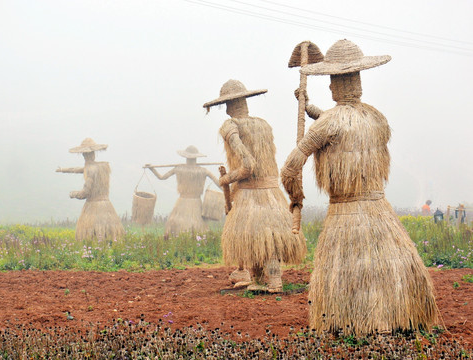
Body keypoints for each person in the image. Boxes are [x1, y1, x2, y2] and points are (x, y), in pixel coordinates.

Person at [281, 40, 437, 335]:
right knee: (386, 265)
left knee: (349, 271)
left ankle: (358, 324)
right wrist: (307, 105)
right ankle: (395, 318)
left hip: (344, 215)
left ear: (332, 85)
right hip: (380, 212)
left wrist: (296, 197)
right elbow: (340, 123)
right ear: (359, 80)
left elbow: (291, 167)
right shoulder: (376, 119)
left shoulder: (329, 124)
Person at [203, 79, 306, 292]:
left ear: (229, 105)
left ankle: (272, 282)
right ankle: (261, 281)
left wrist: (226, 179)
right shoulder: (263, 124)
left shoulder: (230, 126)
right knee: (264, 237)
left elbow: (248, 165)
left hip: (250, 193)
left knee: (257, 234)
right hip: (271, 193)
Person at [57, 138, 125, 241]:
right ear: (93, 154)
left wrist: (74, 194)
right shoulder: (103, 167)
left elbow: (85, 192)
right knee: (111, 237)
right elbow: (78, 169)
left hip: (93, 208)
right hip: (107, 207)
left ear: (84, 155)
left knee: (91, 237)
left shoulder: (90, 170)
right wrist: (63, 170)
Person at [146, 146, 221, 237]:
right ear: (196, 157)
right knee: (198, 227)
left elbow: (162, 177)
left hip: (182, 203)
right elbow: (219, 183)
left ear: (186, 157)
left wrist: (152, 169)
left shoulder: (179, 168)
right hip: (195, 203)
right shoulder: (203, 171)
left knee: (176, 224)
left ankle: (179, 242)